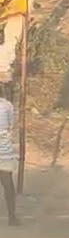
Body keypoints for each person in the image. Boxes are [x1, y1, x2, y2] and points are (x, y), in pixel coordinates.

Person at [0, 84, 18, 225]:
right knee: (7, 184)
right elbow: (11, 125)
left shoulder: (7, 106)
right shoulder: (7, 106)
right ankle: (12, 216)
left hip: (4, 149)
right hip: (4, 150)